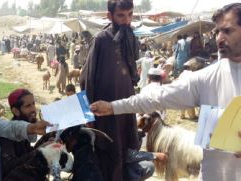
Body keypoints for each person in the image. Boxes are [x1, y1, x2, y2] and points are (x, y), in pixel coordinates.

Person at [89, 3, 241, 181]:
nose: (219, 39)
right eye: (218, 32)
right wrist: (112, 107)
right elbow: (156, 98)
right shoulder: (207, 78)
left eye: (228, 31)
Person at [80, 1, 140, 180]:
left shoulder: (130, 38)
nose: (126, 20)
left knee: (126, 152)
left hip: (126, 107)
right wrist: (88, 116)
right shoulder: (101, 40)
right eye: (121, 15)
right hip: (105, 111)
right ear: (110, 16)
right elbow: (86, 79)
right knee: (109, 156)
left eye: (130, 14)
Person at [0, 89, 48, 179]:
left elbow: (27, 153)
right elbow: (10, 168)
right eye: (28, 106)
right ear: (16, 111)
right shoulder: (6, 135)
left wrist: (46, 140)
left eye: (33, 104)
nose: (33, 109)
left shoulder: (26, 126)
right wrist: (40, 150)